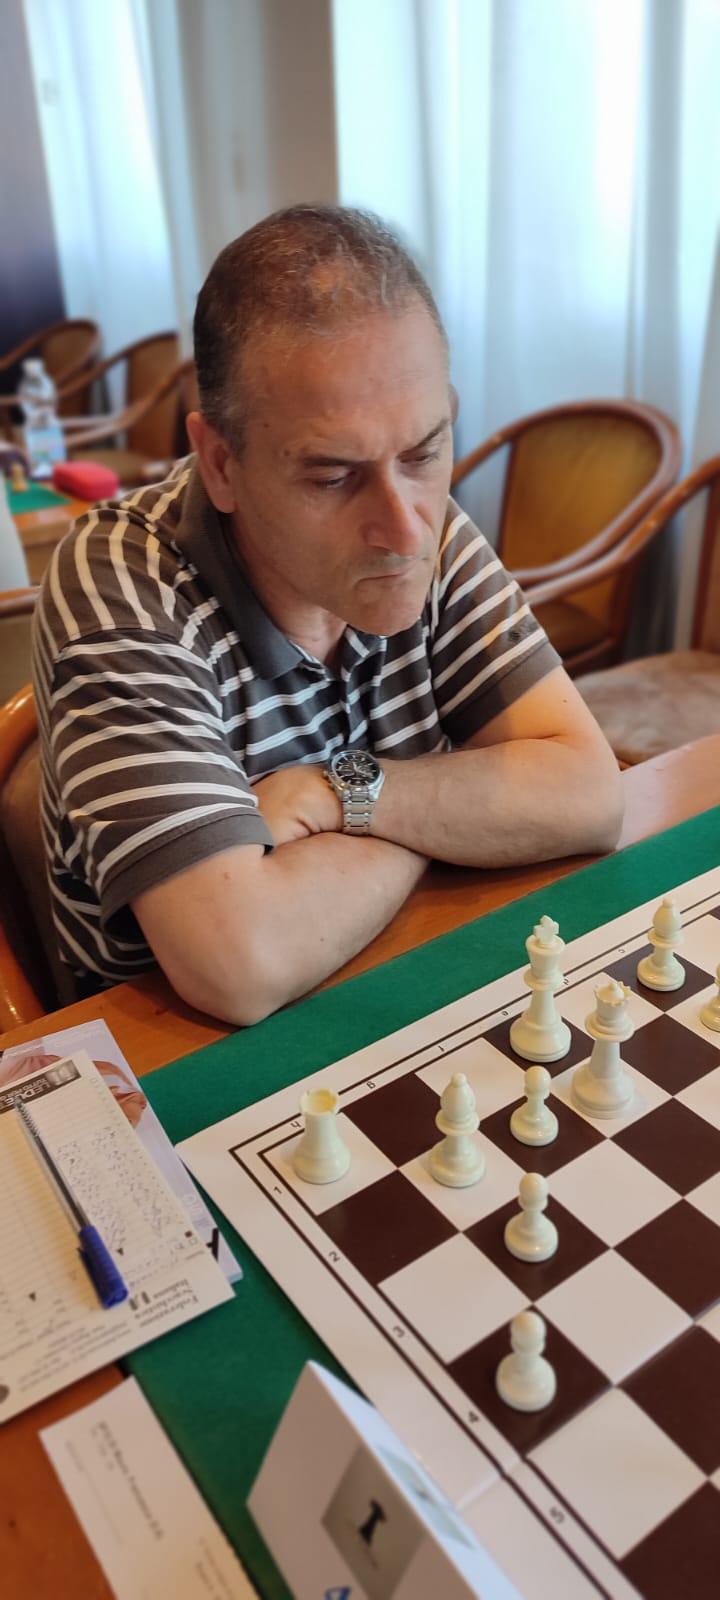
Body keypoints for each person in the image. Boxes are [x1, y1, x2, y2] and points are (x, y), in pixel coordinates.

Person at [33, 206, 622, 1025]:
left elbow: (589, 794)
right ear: (221, 464)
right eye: (333, 476)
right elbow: (243, 963)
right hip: (180, 1054)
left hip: (399, 963)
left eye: (425, 451)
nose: (406, 530)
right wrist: (455, 812)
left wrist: (342, 794)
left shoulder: (423, 523)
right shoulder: (119, 583)